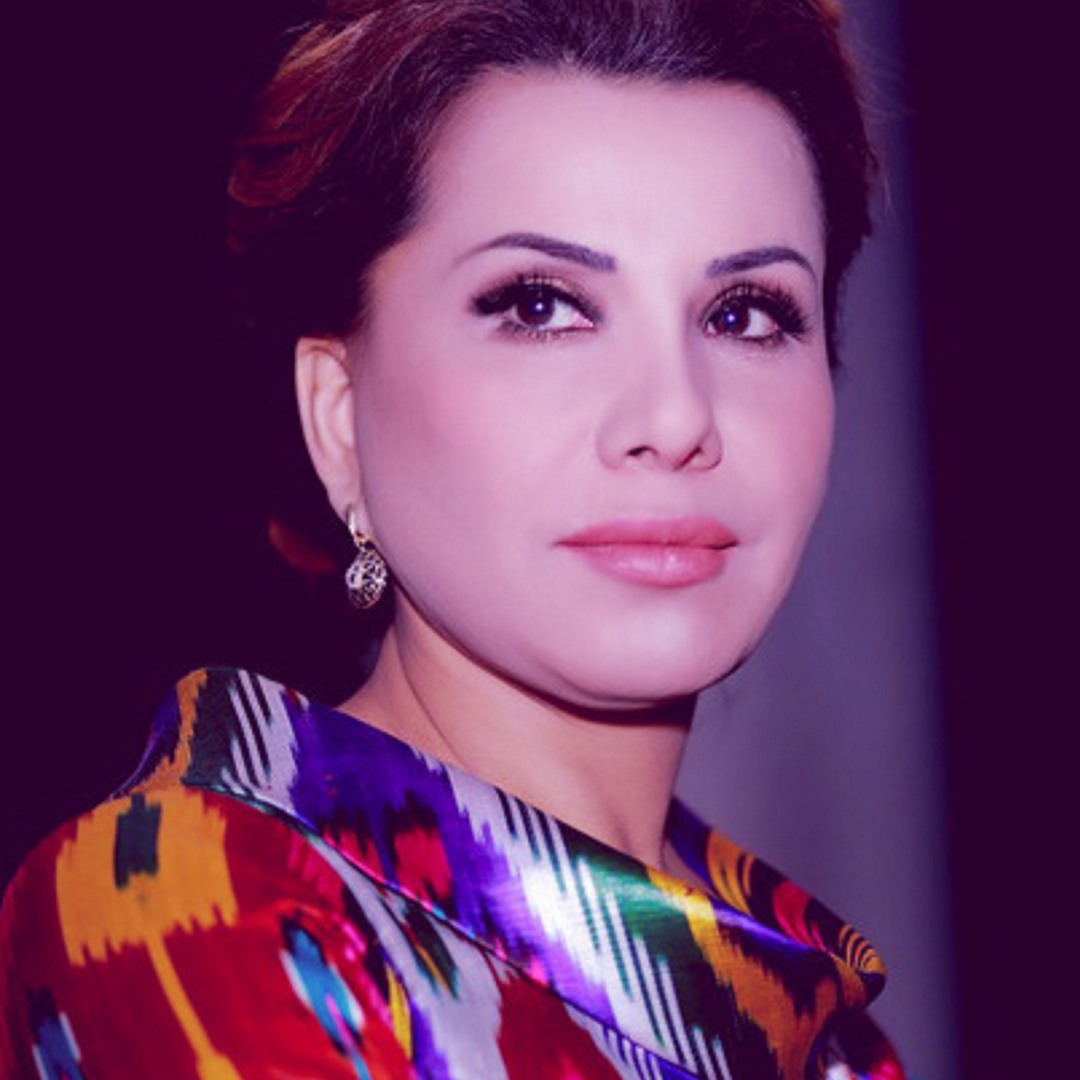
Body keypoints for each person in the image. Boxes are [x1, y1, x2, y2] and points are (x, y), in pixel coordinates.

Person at [1, 1, 907, 1077]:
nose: (676, 416)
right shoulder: (185, 905)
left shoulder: (824, 1031)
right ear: (340, 415)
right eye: (541, 306)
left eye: (745, 314)